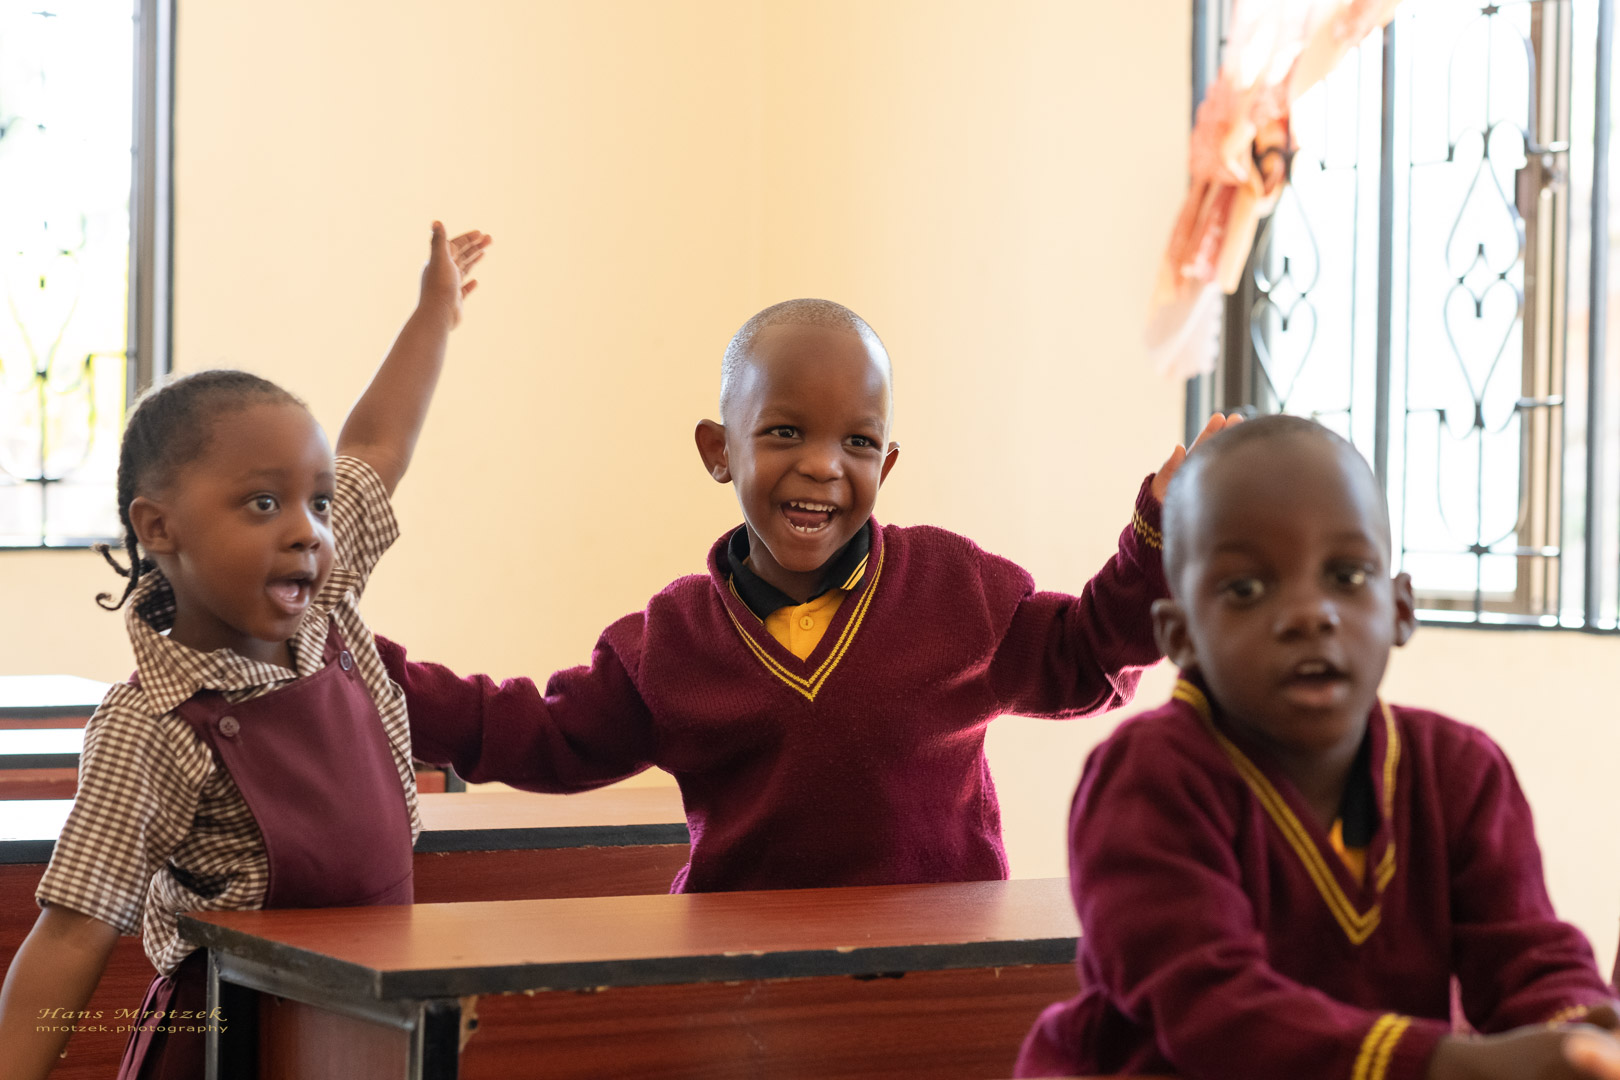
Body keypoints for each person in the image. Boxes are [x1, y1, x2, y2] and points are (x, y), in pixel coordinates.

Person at [379, 298, 1235, 892]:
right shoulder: (670, 643)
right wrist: (360, 667)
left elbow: (1085, 655)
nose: (824, 465)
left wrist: (1159, 533)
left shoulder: (956, 589)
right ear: (719, 450)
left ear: (885, 465)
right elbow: (537, 735)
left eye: (858, 442)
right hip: (741, 986)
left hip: (937, 980)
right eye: (785, 431)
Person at [0, 222, 490, 1080]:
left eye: (319, 503)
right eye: (263, 504)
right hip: (228, 1043)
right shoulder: (153, 725)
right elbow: (73, 933)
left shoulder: (324, 607)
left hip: (365, 1027)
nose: (307, 531)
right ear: (160, 528)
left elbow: (378, 445)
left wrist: (433, 314)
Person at [1015, 413, 1620, 1080]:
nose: (1311, 613)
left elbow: (1529, 959)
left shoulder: (1459, 772)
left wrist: (1583, 1036)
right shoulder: (1147, 780)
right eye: (1246, 588)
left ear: (1400, 609)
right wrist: (1450, 1065)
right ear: (1179, 635)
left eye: (1347, 576)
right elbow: (1214, 1013)